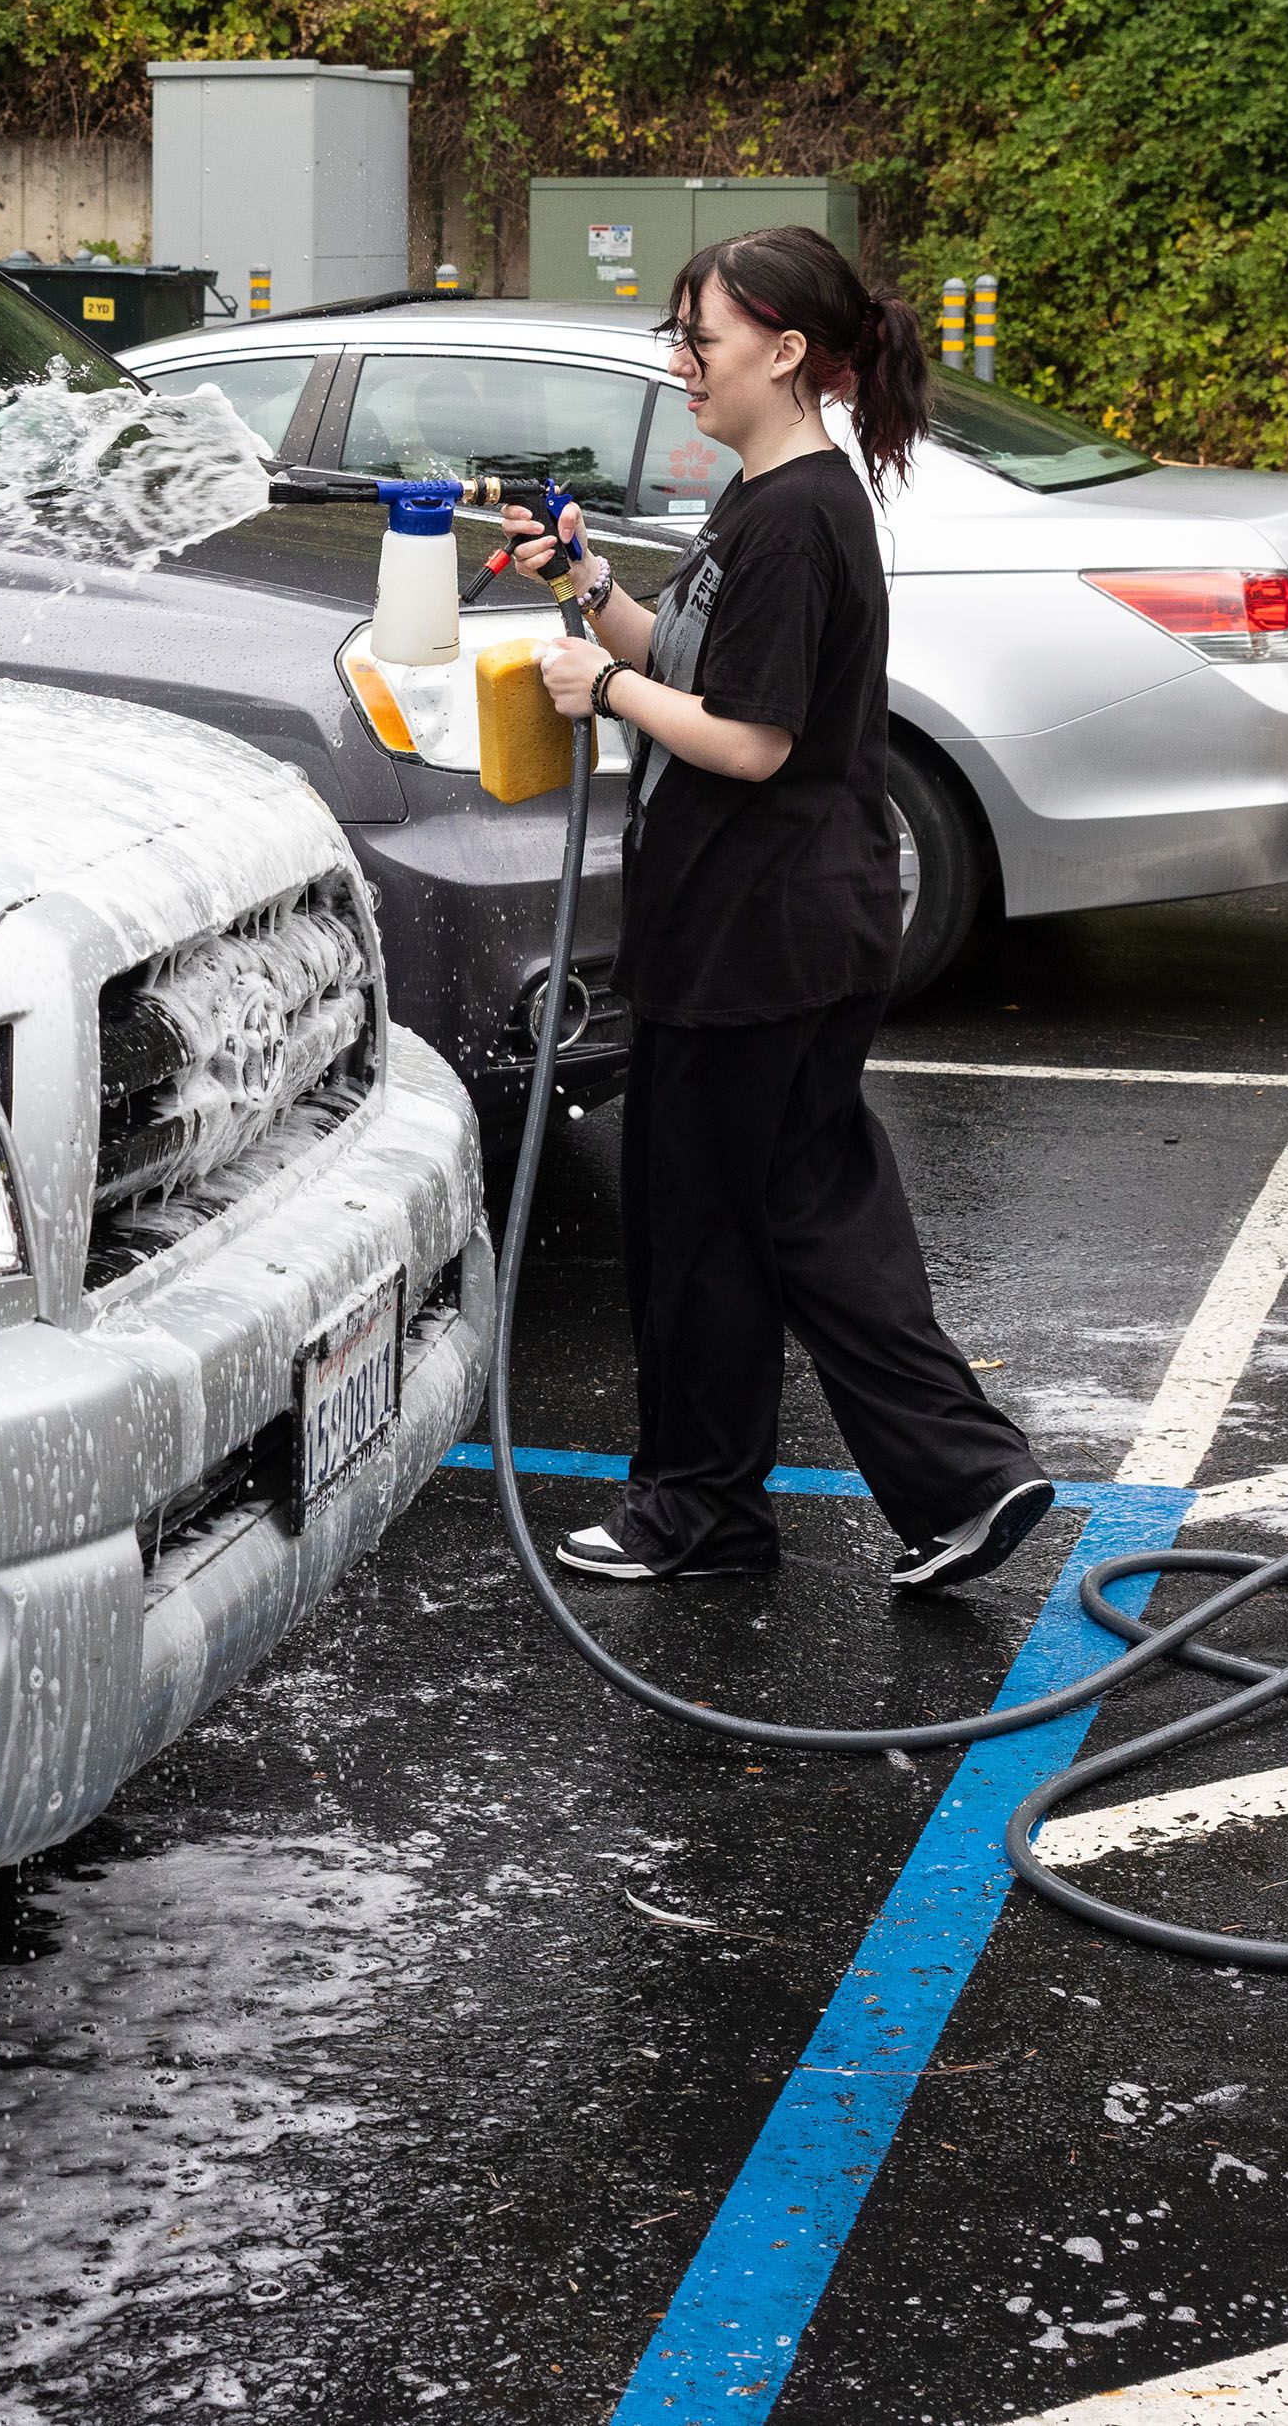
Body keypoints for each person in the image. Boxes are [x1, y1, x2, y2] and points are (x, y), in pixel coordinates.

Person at [507, 222, 1052, 1593]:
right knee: (805, 1207)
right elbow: (687, 661)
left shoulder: (800, 515)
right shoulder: (766, 500)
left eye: (704, 338)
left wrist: (601, 692)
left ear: (788, 351)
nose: (681, 362)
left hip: (759, 932)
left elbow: (749, 739)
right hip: (773, 924)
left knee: (704, 1224)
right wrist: (590, 592)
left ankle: (707, 1508)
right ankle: (958, 1484)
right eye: (676, 337)